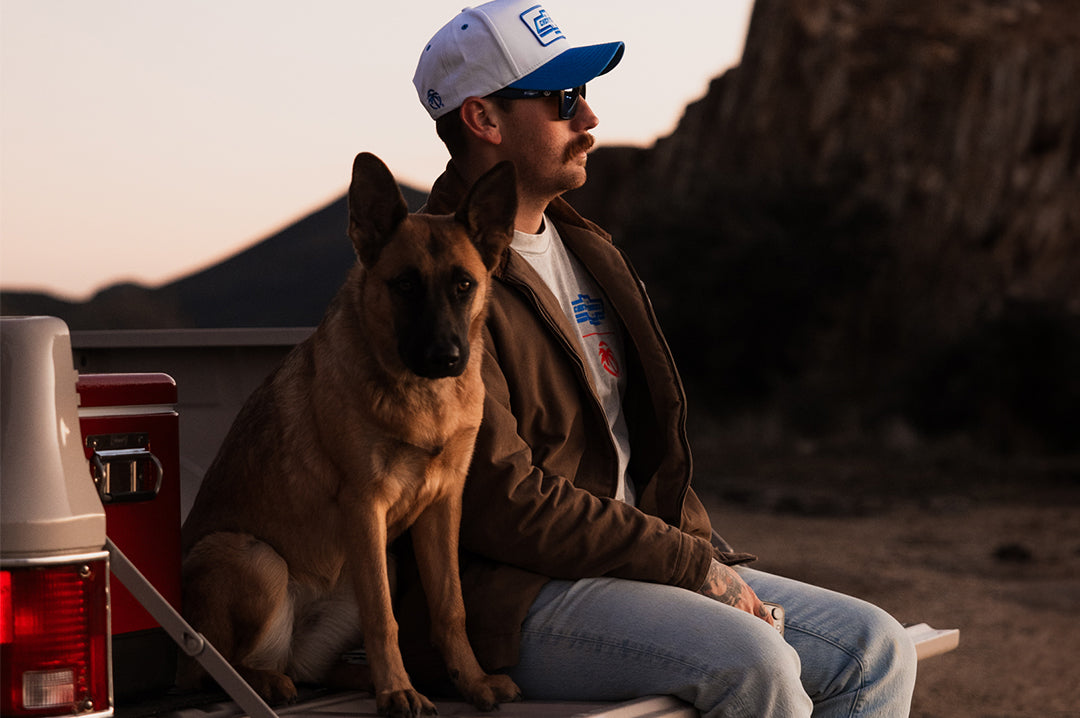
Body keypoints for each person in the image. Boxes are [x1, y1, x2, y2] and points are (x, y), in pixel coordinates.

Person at [402, 1, 919, 716]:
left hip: (629, 563)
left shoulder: (586, 250)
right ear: (484, 120)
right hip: (514, 592)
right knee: (754, 664)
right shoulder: (435, 285)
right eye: (562, 99)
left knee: (876, 649)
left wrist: (692, 555)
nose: (589, 119)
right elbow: (498, 502)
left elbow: (629, 449)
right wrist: (687, 566)